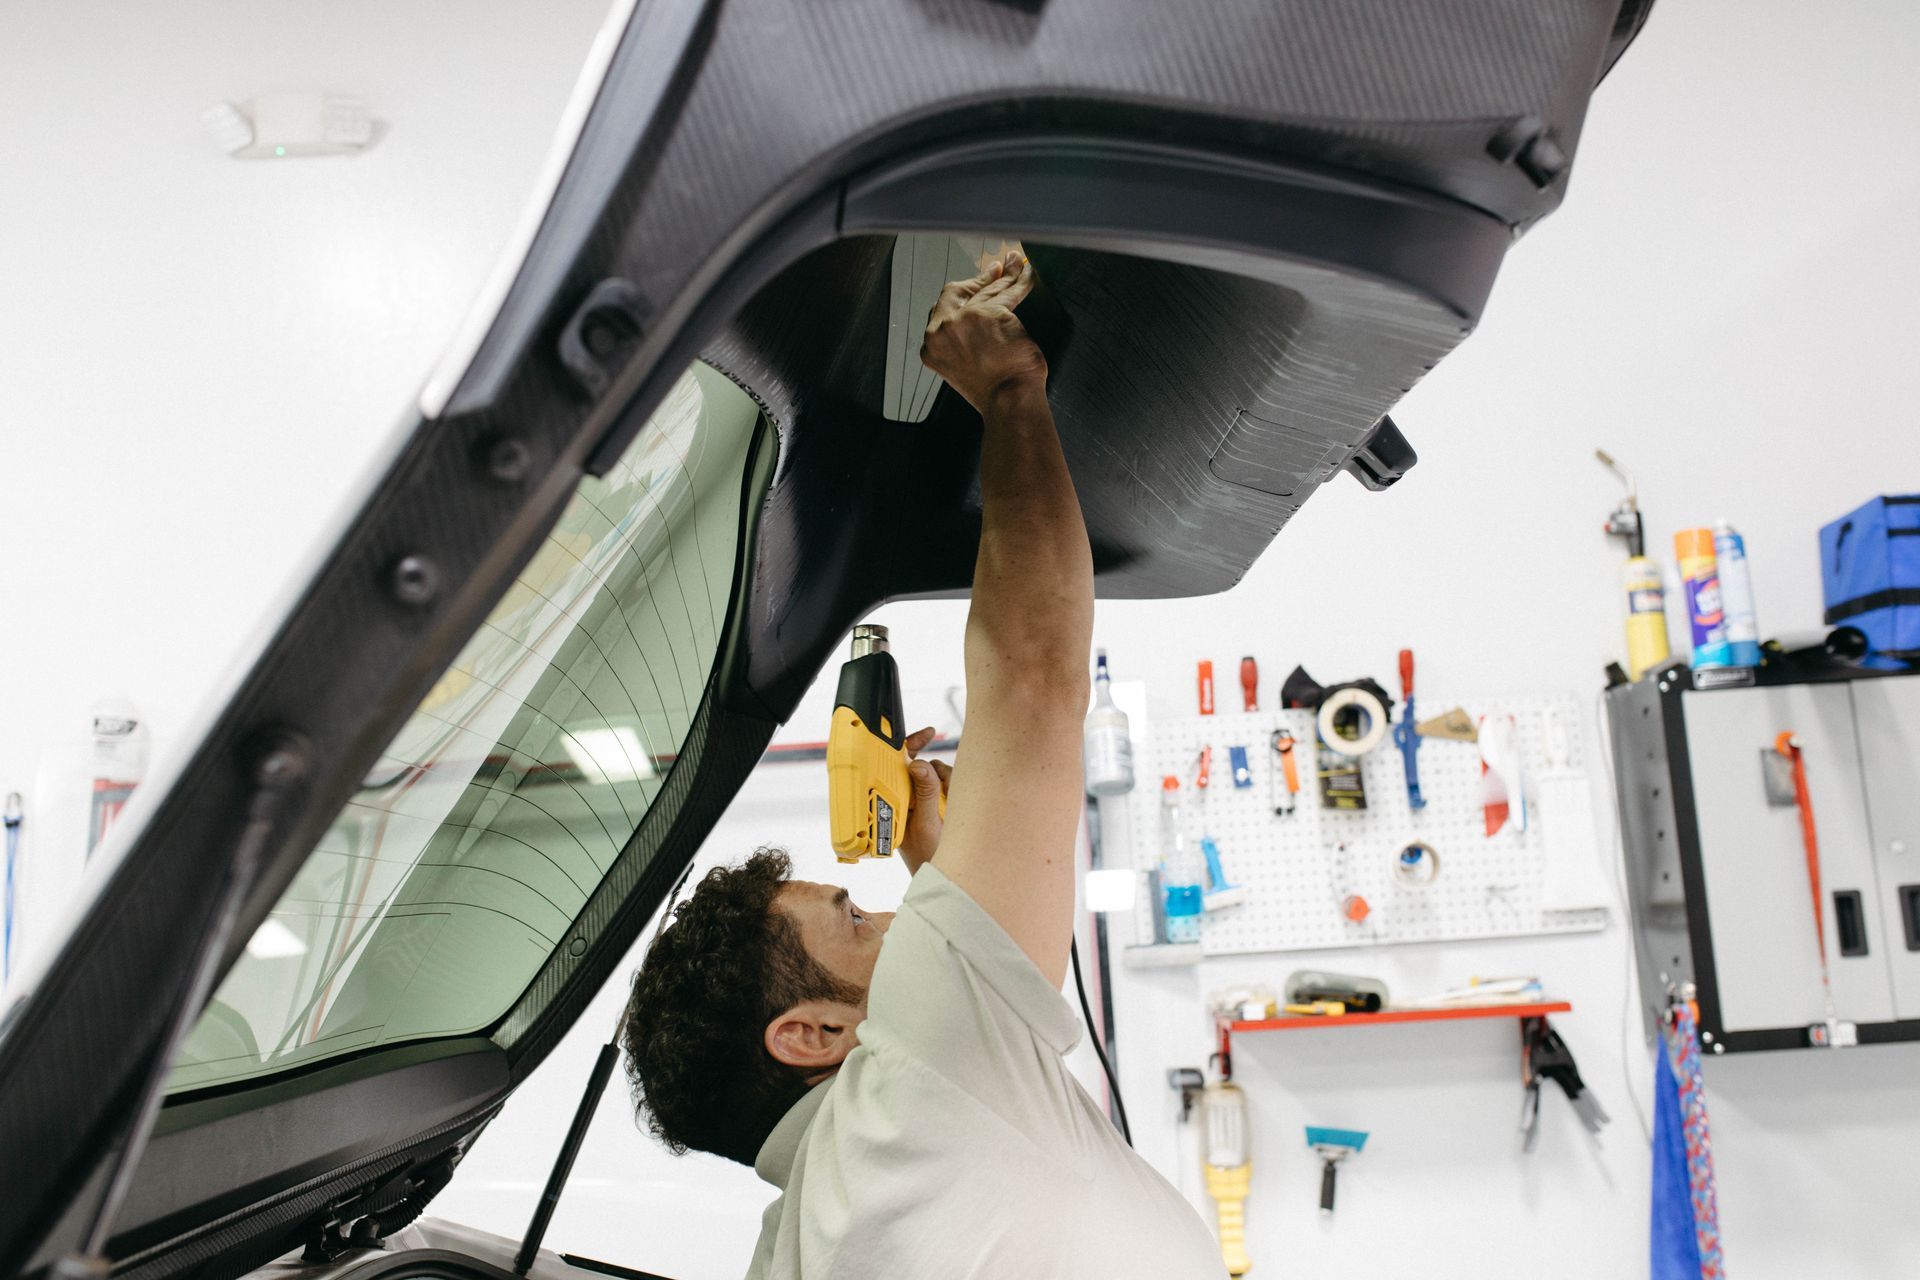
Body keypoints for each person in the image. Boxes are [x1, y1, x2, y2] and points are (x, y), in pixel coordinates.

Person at [621, 249, 1223, 1278]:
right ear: (811, 1032)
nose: (894, 915)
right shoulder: (910, 1083)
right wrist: (1007, 386)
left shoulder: (799, 1243)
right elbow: (1033, 679)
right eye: (854, 921)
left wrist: (939, 865)